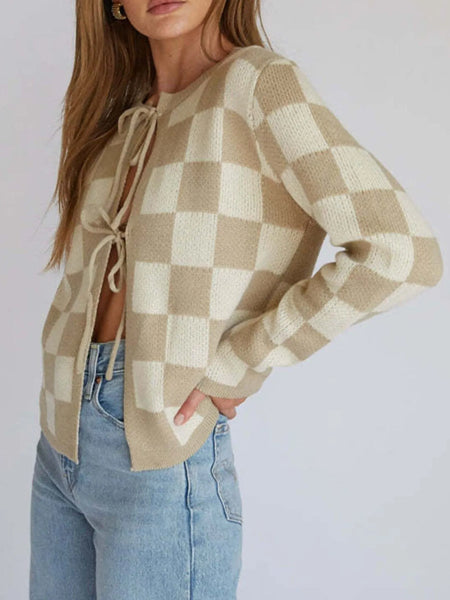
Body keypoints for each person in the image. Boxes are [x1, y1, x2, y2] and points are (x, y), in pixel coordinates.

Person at [29, 0, 444, 598]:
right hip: (58, 445)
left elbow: (401, 252)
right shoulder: (122, 117)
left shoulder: (258, 85)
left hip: (162, 453)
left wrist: (243, 359)